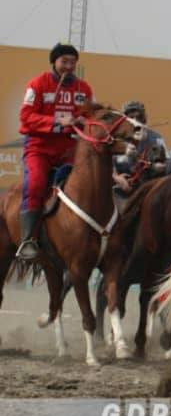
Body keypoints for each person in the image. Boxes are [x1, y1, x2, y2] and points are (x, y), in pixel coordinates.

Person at [16, 43, 94, 260]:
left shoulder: (84, 89)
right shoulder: (37, 84)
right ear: (54, 62)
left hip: (70, 149)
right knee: (36, 184)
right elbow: (26, 118)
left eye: (73, 62)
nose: (69, 66)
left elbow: (91, 117)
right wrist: (58, 120)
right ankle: (28, 240)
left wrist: (82, 120)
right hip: (39, 148)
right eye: (64, 62)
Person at [112, 100, 167, 198]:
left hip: (149, 189)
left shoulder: (156, 138)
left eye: (139, 117)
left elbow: (164, 167)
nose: (135, 121)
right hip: (120, 190)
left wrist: (158, 166)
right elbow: (107, 164)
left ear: (145, 119)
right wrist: (117, 178)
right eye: (131, 117)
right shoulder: (116, 140)